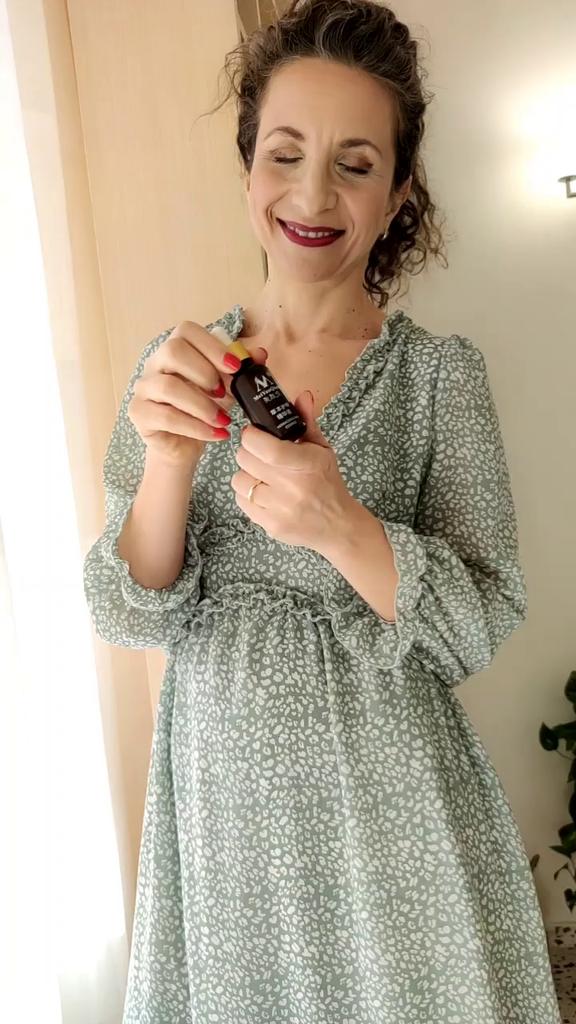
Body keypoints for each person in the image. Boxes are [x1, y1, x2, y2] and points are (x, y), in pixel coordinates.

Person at [83, 2, 562, 1022]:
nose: (311, 194)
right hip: (225, 825)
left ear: (398, 193)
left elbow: (479, 618)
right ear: (248, 167)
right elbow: (128, 611)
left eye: (354, 163)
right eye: (285, 154)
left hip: (395, 824)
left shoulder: (438, 378)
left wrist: (341, 522)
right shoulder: (178, 368)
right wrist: (168, 459)